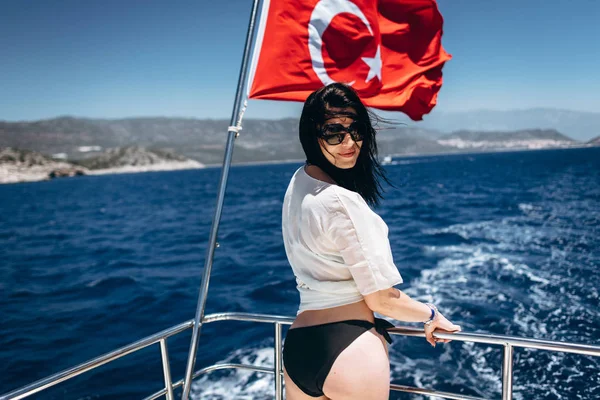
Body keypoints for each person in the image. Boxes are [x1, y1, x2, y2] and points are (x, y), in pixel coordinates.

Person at [280, 82, 462, 400]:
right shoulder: (342, 203)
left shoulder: (300, 183)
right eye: (333, 132)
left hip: (299, 349)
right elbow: (382, 300)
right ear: (313, 134)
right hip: (349, 348)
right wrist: (431, 315)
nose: (349, 142)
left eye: (357, 130)